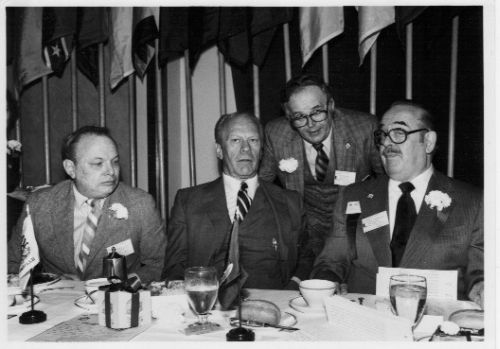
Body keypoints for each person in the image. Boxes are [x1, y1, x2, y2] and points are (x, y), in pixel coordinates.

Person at [312, 101, 483, 307]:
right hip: (364, 321)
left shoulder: (472, 202)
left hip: (437, 325)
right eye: (382, 135)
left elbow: (481, 272)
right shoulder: (353, 197)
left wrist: (481, 287)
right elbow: (331, 260)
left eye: (399, 132)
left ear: (428, 142)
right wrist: (328, 280)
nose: (387, 144)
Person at [163, 112, 312, 290]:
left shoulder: (290, 202)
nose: (245, 149)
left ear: (262, 149)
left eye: (253, 140)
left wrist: (293, 286)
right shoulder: (188, 202)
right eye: (235, 140)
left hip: (273, 307)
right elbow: (174, 268)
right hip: (209, 309)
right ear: (219, 150)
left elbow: (307, 255)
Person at [8, 126, 166, 284]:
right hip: (56, 303)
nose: (111, 171)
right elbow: (12, 264)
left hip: (117, 300)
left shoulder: (140, 204)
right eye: (98, 164)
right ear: (71, 168)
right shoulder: (40, 204)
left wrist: (124, 285)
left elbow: (159, 264)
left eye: (115, 162)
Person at [259, 74, 384, 258]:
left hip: (354, 223)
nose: (311, 125)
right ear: (288, 116)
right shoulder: (276, 134)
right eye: (299, 117)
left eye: (317, 112)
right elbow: (262, 186)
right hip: (305, 227)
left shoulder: (364, 128)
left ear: (331, 106)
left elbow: (387, 181)